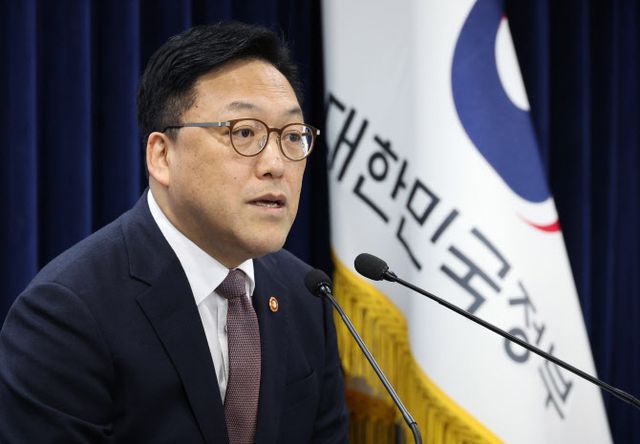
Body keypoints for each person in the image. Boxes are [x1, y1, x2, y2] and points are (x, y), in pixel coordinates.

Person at [0, 21, 348, 443]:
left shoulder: (306, 296)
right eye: (244, 132)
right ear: (162, 156)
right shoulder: (66, 315)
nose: (276, 164)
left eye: (292, 136)